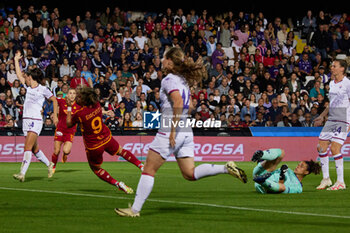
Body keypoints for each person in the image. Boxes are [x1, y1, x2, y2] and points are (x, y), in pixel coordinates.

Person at [115, 47, 247, 217]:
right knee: (190, 173)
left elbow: (178, 101)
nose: (161, 61)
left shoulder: (169, 79)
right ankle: (225, 168)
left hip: (172, 131)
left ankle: (134, 210)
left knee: (148, 169)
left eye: (163, 58)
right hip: (186, 131)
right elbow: (190, 106)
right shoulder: (182, 80)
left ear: (170, 61)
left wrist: (172, 131)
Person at [66, 87, 144, 194]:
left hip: (94, 145)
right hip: (106, 138)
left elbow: (69, 124)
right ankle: (141, 165)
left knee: (96, 168)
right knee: (121, 151)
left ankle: (118, 184)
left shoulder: (80, 114)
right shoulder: (97, 105)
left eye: (79, 97)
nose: (77, 98)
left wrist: (70, 107)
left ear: (84, 100)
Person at [13, 51, 58, 182]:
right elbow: (18, 73)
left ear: (31, 77)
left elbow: (54, 100)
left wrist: (54, 115)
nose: (24, 77)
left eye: (26, 76)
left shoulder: (43, 89)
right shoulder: (28, 87)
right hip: (26, 120)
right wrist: (16, 60)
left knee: (27, 147)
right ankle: (49, 164)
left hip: (36, 121)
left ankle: (22, 173)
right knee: (34, 149)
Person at [314, 59, 349, 191]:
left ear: (342, 69)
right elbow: (331, 103)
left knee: (335, 148)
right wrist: (322, 116)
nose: (332, 67)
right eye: (332, 65)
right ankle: (326, 179)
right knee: (321, 147)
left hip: (343, 117)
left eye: (334, 66)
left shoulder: (348, 84)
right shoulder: (331, 83)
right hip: (332, 118)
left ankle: (340, 182)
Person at [251, 148, 321, 194]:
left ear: (306, 172)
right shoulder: (289, 170)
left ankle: (262, 180)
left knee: (282, 187)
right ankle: (262, 155)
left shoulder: (298, 188)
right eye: (299, 164)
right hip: (260, 174)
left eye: (301, 166)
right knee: (282, 152)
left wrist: (282, 175)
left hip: (265, 187)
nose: (298, 166)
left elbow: (281, 189)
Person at [51, 88, 80, 175]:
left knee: (66, 151)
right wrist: (55, 115)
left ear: (76, 95)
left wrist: (104, 112)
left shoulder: (78, 105)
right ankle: (53, 167)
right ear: (67, 94)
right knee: (56, 151)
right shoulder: (62, 101)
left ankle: (65, 155)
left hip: (70, 131)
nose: (72, 95)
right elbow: (53, 100)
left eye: (74, 93)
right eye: (70, 93)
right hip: (60, 129)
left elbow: (90, 110)